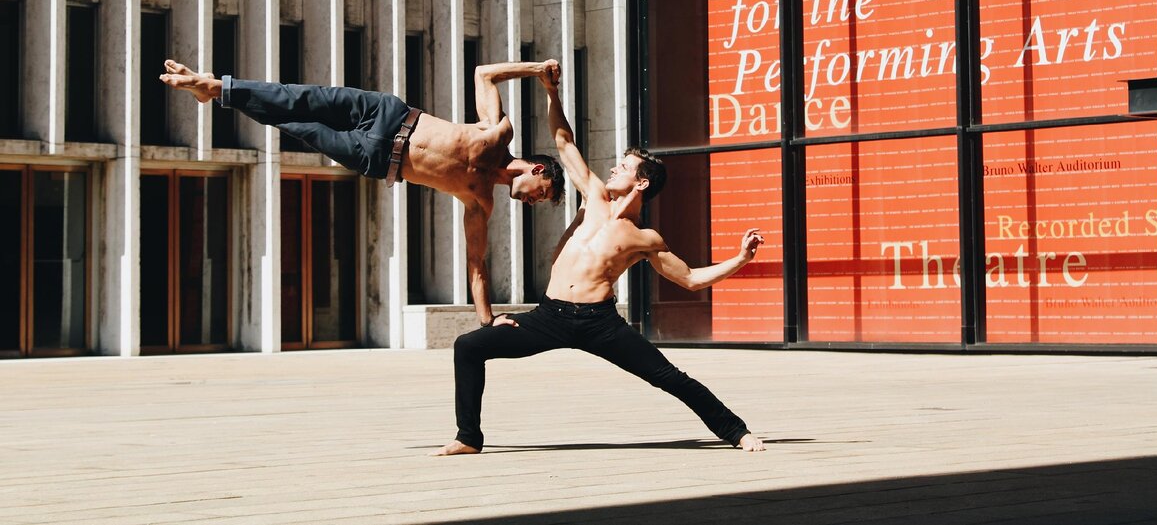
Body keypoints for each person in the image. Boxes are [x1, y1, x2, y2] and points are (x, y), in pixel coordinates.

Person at [435, 60, 766, 455]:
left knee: (668, 376)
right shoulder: (592, 195)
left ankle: (737, 432)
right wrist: (551, 90)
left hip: (600, 324)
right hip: (549, 317)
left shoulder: (644, 237)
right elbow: (563, 141)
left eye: (624, 166)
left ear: (641, 182)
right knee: (469, 346)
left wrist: (741, 259)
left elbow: (692, 279)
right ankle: (468, 438)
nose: (614, 167)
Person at [160, 58, 566, 326]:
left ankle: (215, 91)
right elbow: (483, 74)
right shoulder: (498, 132)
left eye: (537, 202)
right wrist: (538, 73)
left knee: (293, 125)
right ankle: (212, 87)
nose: (532, 201)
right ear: (536, 167)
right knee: (297, 97)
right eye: (540, 193)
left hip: (374, 157)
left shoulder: (480, 201)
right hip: (384, 113)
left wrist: (487, 319)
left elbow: (477, 266)